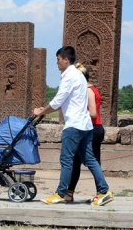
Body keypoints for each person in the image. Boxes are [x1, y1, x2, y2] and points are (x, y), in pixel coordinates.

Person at [33, 46, 113, 206]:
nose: (57, 63)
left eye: (58, 60)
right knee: (90, 159)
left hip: (74, 125)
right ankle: (104, 191)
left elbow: (57, 101)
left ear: (65, 60)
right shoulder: (80, 76)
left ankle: (60, 193)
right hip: (85, 125)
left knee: (67, 160)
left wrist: (41, 112)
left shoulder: (69, 76)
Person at [64, 63, 105, 203]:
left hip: (91, 128)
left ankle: (101, 192)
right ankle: (70, 192)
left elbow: (93, 113)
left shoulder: (87, 90)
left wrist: (76, 113)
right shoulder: (92, 88)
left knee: (91, 162)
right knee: (77, 161)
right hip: (93, 128)